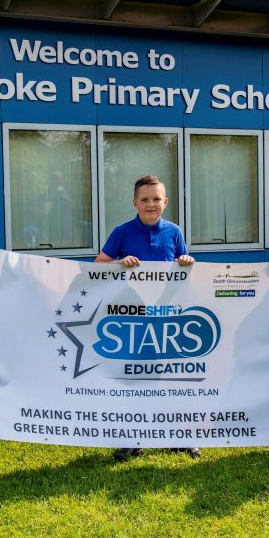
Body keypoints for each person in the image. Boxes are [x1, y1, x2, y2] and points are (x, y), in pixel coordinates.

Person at [96, 175, 196, 461]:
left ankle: (179, 436)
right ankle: (132, 438)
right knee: (136, 378)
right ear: (135, 203)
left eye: (156, 199)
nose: (151, 204)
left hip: (167, 317)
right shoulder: (122, 232)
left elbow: (183, 266)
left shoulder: (174, 232)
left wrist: (186, 262)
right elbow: (99, 266)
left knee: (172, 378)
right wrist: (118, 263)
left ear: (165, 201)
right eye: (145, 199)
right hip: (133, 317)